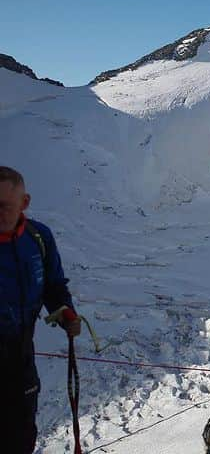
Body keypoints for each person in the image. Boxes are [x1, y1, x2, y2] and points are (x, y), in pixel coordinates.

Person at [1, 166, 81, 453]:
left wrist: (66, 313)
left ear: (24, 203)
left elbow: (53, 286)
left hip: (21, 357)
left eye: (4, 206)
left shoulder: (38, 239)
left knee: (22, 435)